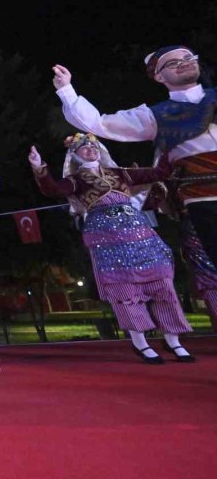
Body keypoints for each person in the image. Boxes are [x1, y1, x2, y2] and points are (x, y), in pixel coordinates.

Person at [53, 47, 217, 323]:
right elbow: (100, 124)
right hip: (205, 200)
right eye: (174, 63)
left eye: (189, 59)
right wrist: (67, 90)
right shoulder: (157, 116)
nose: (184, 64)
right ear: (158, 76)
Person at [28, 134, 195, 363]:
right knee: (124, 288)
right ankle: (141, 343)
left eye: (93, 146)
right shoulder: (76, 180)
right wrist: (39, 168)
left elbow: (158, 174)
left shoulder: (120, 173)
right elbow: (53, 189)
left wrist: (167, 149)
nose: (90, 150)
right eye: (84, 148)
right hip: (106, 237)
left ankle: (173, 339)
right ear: (75, 155)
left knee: (161, 281)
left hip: (138, 231)